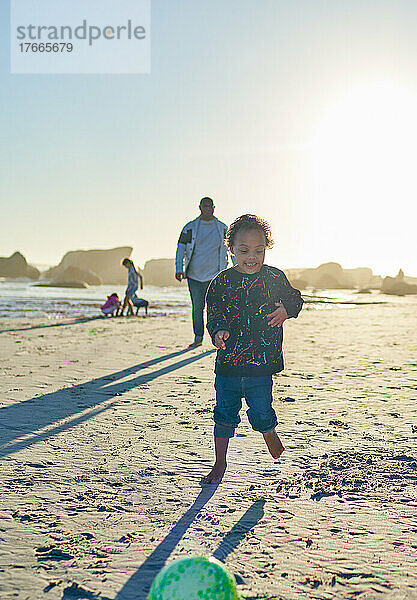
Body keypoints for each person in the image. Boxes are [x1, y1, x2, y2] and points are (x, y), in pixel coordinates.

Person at [202, 214, 304, 484]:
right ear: (231, 248)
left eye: (259, 251)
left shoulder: (274, 278)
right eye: (244, 250)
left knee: (261, 409)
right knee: (224, 413)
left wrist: (286, 310)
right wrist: (218, 331)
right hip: (228, 365)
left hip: (261, 363)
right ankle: (220, 462)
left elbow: (296, 298)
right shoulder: (221, 283)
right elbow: (214, 313)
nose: (252, 257)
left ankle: (268, 430)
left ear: (266, 248)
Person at [175, 197, 230, 348]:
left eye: (210, 206)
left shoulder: (223, 228)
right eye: (204, 206)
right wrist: (179, 268)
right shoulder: (189, 228)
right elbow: (180, 249)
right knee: (197, 308)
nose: (207, 208)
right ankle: (198, 338)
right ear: (200, 207)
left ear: (214, 207)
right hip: (194, 275)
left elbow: (232, 251)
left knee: (217, 308)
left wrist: (239, 269)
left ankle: (218, 338)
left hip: (216, 276)